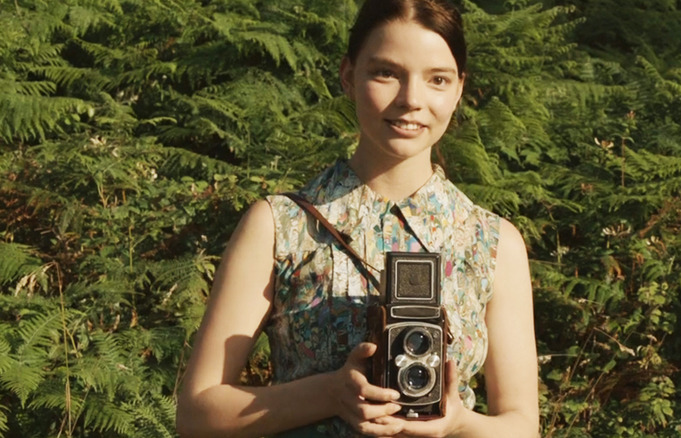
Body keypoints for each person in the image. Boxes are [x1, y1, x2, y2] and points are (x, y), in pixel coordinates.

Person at [175, 0, 539, 436]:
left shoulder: (492, 241)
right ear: (348, 76)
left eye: (437, 79)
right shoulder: (281, 226)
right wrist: (331, 393)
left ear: (459, 88)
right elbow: (196, 414)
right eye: (386, 73)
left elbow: (521, 425)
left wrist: (458, 423)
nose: (411, 100)